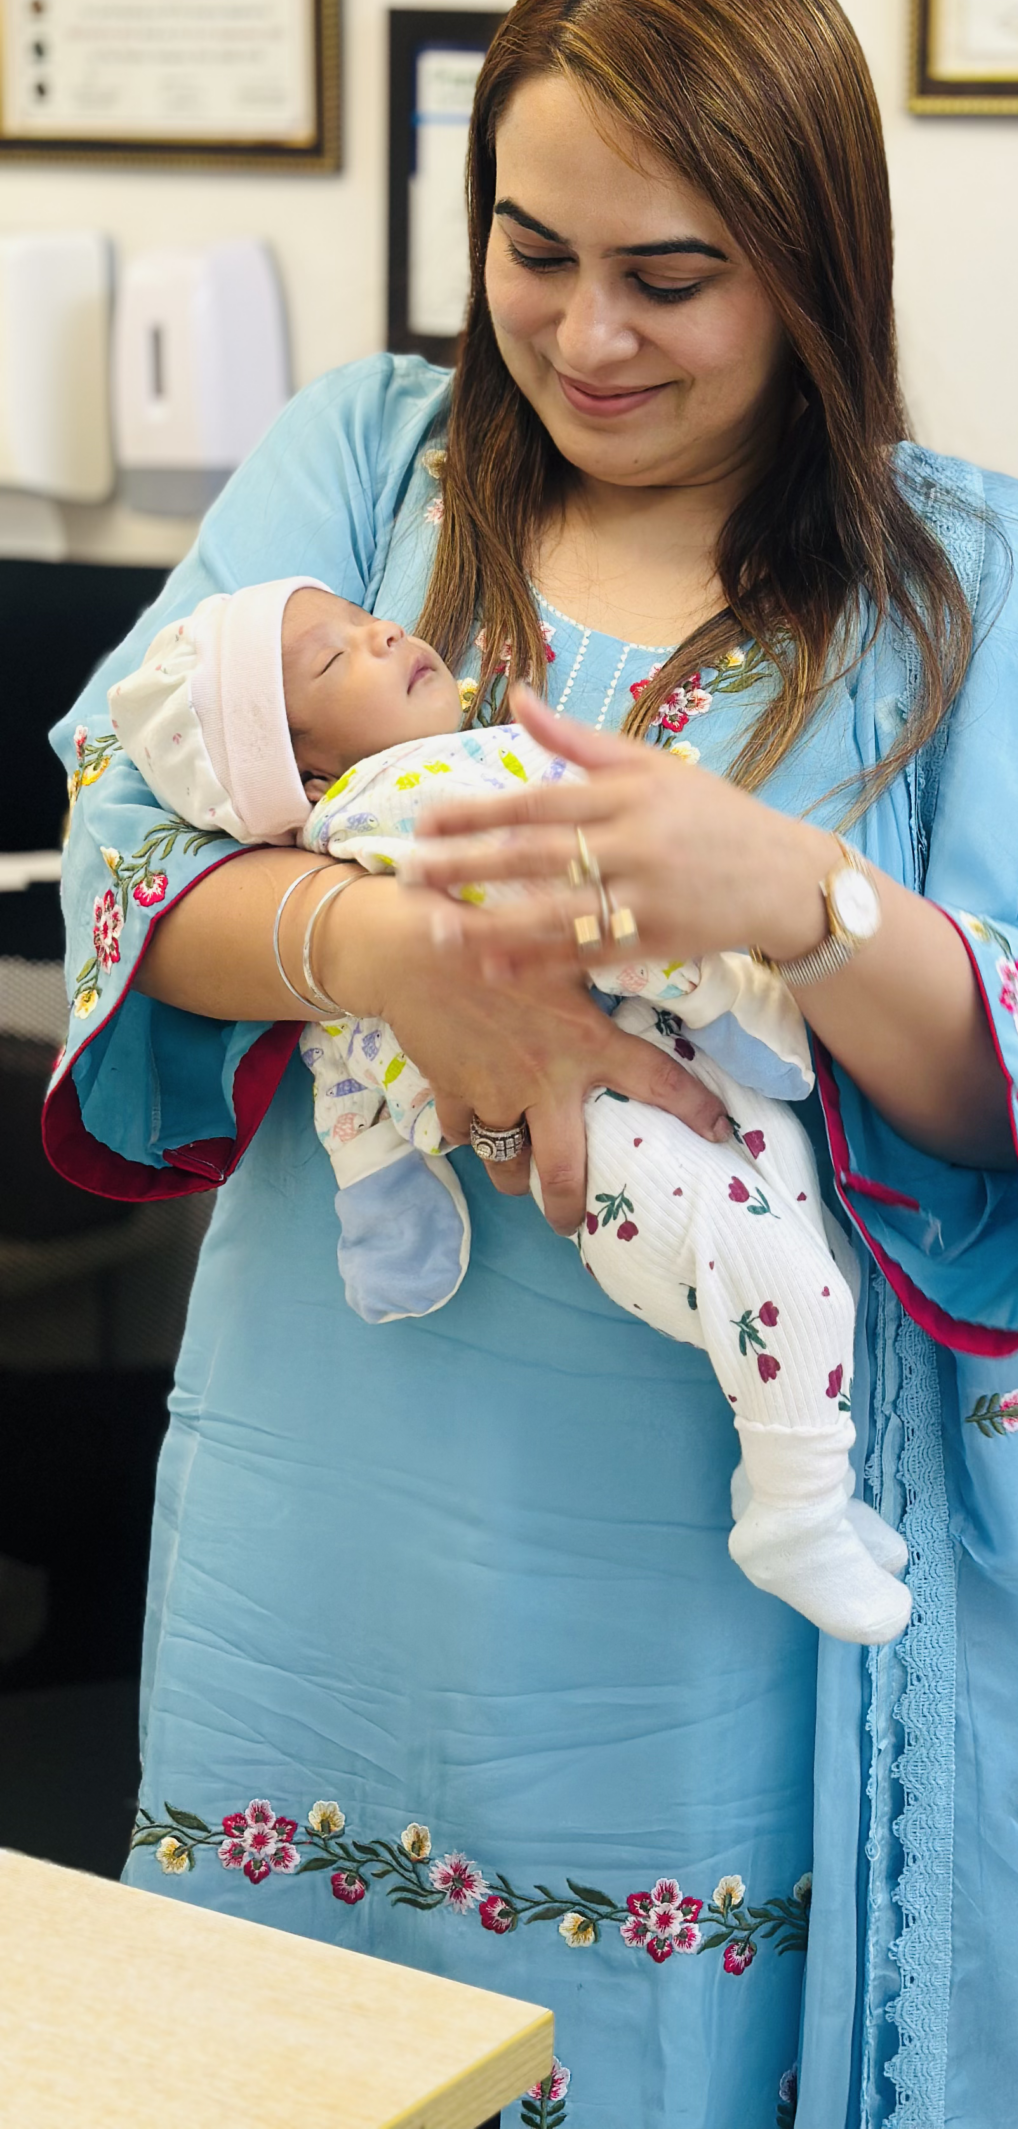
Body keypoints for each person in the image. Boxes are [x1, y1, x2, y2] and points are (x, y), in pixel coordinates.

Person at [48, 0, 1018, 2127]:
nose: (586, 336)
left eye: (669, 278)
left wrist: (801, 899)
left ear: (812, 268)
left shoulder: (1010, 605)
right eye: (535, 252)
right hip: (331, 1494)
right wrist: (392, 960)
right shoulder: (367, 475)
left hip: (713, 1564)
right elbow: (128, 844)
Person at [106, 576, 911, 1646]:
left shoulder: (405, 806)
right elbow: (574, 909)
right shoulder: (404, 803)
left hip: (639, 1074)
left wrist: (388, 1204)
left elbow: (343, 1080)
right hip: (599, 1122)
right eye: (335, 657)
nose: (384, 631)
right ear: (303, 774)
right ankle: (796, 1517)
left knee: (806, 1241)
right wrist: (718, 998)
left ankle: (800, 1486)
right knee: (787, 1280)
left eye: (363, 619)